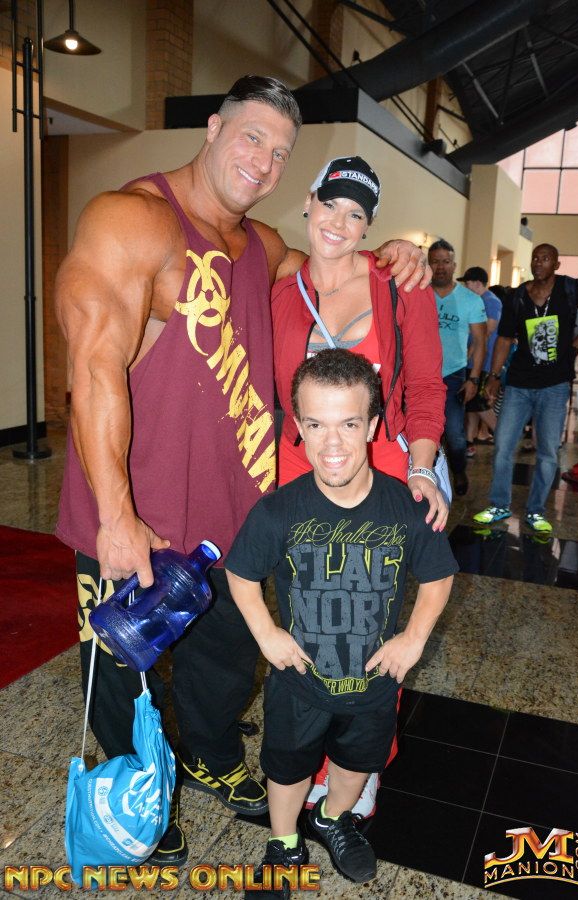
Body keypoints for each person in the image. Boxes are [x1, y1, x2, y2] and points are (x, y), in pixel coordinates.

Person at [54, 75, 430, 864]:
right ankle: (139, 791)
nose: (263, 160)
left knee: (225, 661)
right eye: (252, 137)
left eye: (280, 151)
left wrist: (391, 253)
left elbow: (329, 261)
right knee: (125, 670)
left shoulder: (259, 246)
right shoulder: (133, 219)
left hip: (230, 513)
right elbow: (93, 368)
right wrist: (116, 516)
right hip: (134, 509)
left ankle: (211, 755)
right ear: (214, 128)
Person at [225, 349, 457, 898]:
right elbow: (240, 573)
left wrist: (413, 639)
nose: (332, 443)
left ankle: (332, 818)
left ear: (372, 426)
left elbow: (438, 576)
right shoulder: (278, 511)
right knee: (287, 769)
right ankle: (284, 843)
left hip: (373, 683)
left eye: (349, 424)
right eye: (316, 425)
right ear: (298, 427)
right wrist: (266, 633)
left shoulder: (405, 507)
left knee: (357, 763)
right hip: (299, 681)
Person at [272, 156, 448, 528]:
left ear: (367, 226)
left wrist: (422, 469)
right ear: (308, 202)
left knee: (374, 564)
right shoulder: (281, 293)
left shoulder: (402, 285)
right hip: (299, 464)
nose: (338, 223)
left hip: (382, 463)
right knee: (299, 564)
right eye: (329, 204)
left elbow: (425, 387)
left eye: (355, 214)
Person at [474, 243, 578, 533]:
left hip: (554, 385)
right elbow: (504, 338)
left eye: (545, 258)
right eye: (535, 258)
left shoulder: (570, 288)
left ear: (556, 264)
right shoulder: (518, 296)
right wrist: (494, 375)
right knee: (503, 445)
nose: (538, 262)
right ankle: (499, 504)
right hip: (519, 384)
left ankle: (536, 510)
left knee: (547, 451)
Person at [428, 240, 487, 496]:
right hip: (419, 374)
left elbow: (480, 341)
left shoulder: (470, 300)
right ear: (428, 264)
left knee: (454, 434)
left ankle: (459, 470)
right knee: (419, 431)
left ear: (454, 265)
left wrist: (474, 379)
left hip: (453, 375)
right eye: (435, 261)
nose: (441, 267)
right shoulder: (417, 294)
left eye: (446, 261)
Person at [458, 266, 503, 454]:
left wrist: (468, 355)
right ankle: (469, 442)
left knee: (479, 402)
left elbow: (485, 333)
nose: (466, 287)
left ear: (477, 283)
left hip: (481, 362)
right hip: (473, 361)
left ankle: (503, 436)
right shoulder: (478, 300)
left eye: (467, 283)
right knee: (471, 404)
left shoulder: (491, 302)